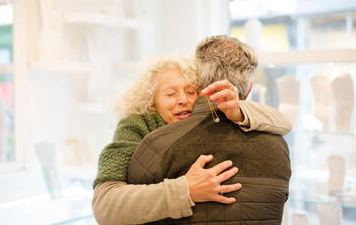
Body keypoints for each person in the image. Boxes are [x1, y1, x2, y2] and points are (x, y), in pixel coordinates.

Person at [92, 54, 292, 225]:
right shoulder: (135, 128)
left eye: (191, 92)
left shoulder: (214, 117)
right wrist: (185, 190)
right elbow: (104, 203)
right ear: (152, 103)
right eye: (171, 94)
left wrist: (239, 112)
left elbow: (284, 123)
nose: (183, 100)